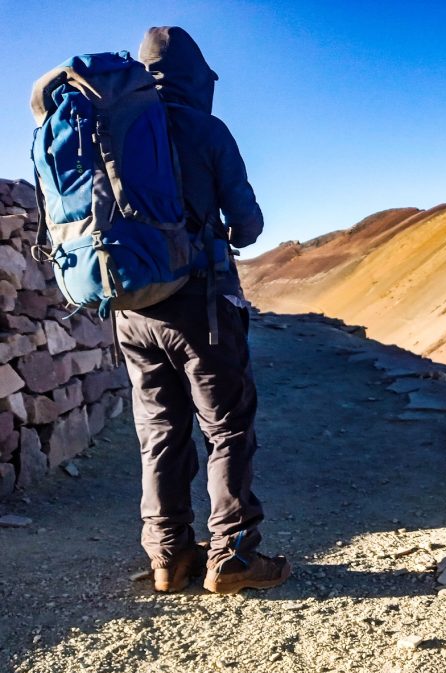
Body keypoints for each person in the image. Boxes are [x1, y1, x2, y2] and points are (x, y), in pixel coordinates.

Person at [115, 26, 290, 594]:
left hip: (132, 309)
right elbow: (248, 225)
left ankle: (169, 557)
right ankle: (233, 555)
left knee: (160, 429)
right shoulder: (206, 128)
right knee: (227, 427)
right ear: (197, 77)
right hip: (201, 307)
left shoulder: (111, 127)